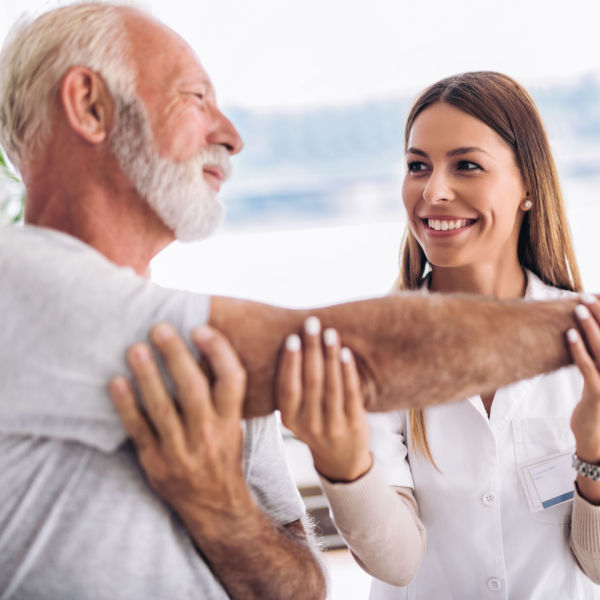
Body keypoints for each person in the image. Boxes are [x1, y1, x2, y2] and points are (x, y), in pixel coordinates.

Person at [0, 1, 592, 596]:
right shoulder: (23, 286)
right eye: (196, 99)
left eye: (467, 165)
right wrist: (583, 328)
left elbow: (300, 589)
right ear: (90, 105)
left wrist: (221, 509)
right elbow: (357, 353)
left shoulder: (224, 357)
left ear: (528, 186)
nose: (231, 137)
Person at [274, 72, 600, 599]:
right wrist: (340, 460)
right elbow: (395, 562)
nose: (434, 191)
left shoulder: (589, 339)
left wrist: (594, 445)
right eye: (417, 166)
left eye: (466, 165)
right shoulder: (371, 347)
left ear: (529, 189)